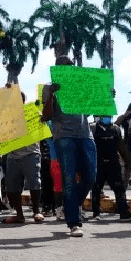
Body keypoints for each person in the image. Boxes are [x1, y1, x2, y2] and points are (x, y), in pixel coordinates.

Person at [41, 56, 98, 237]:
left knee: (90, 176)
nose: (68, 69)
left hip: (85, 135)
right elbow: (47, 115)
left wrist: (105, 96)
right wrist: (50, 95)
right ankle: (74, 222)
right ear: (57, 69)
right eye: (64, 66)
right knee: (68, 178)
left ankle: (70, 204)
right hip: (64, 136)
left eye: (70, 66)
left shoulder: (79, 86)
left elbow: (88, 110)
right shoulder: (48, 88)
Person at [1, 93, 43, 224]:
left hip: (31, 153)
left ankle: (37, 211)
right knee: (12, 187)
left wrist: (40, 118)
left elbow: (42, 125)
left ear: (23, 100)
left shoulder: (32, 112)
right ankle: (19, 215)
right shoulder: (5, 116)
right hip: (12, 156)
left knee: (34, 182)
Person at [89, 115, 131, 221]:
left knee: (119, 189)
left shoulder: (115, 128)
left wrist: (128, 162)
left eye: (109, 115)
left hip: (113, 163)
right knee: (96, 188)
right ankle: (96, 213)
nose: (108, 117)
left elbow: (120, 145)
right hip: (98, 164)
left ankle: (123, 213)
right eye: (105, 115)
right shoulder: (92, 128)